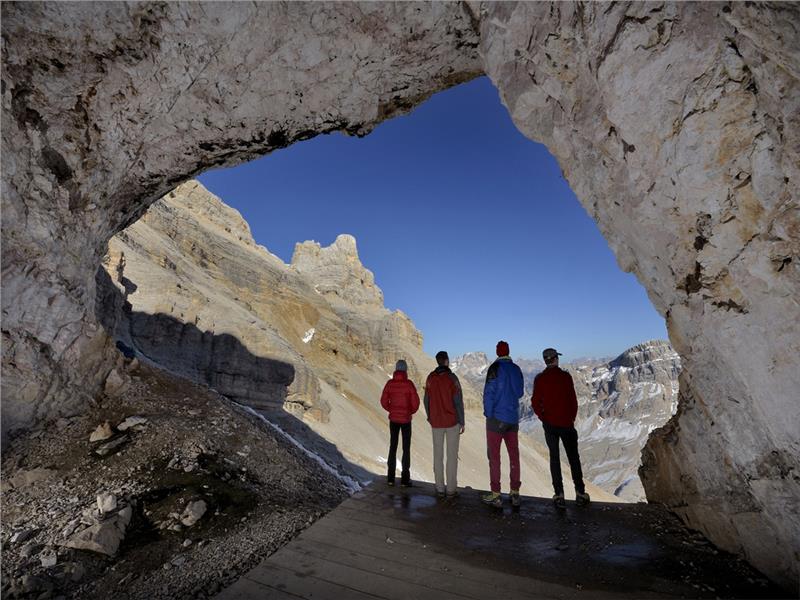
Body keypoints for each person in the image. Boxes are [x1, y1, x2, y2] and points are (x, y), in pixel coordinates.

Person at [531, 347, 590, 507]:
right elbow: (573, 401)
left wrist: (544, 418)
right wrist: (571, 418)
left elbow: (535, 402)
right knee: (573, 458)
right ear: (556, 359)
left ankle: (559, 495)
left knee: (554, 459)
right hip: (566, 424)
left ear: (545, 361)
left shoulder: (540, 379)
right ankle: (580, 493)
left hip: (550, 425)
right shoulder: (565, 377)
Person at [481, 341, 525, 508]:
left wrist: (489, 414)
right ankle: (515, 492)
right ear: (508, 352)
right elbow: (520, 392)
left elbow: (488, 393)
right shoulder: (516, 369)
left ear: (497, 352)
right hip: (512, 419)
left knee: (494, 457)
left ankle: (496, 494)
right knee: (514, 455)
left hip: (496, 419)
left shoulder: (494, 368)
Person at [424, 351, 465, 499]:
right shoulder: (452, 379)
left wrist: (430, 417)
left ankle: (440, 488)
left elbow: (426, 400)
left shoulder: (430, 378)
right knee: (452, 456)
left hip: (436, 423)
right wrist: (462, 421)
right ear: (446, 361)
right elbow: (458, 401)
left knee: (438, 455)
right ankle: (451, 490)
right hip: (452, 422)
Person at [380, 359, 420, 487]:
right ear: (406, 370)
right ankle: (404, 480)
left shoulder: (390, 384)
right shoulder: (409, 384)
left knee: (393, 446)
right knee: (406, 449)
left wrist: (391, 410)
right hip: (406, 420)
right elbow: (416, 403)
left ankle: (390, 478)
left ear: (396, 369)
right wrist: (408, 412)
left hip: (393, 420)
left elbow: (383, 401)